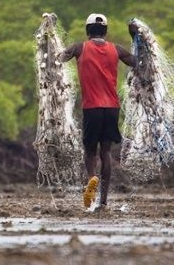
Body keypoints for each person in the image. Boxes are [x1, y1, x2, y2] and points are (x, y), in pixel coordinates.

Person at [59, 13, 136, 209]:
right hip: (112, 108)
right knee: (106, 151)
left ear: (87, 31)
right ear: (106, 31)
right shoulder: (116, 50)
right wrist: (136, 38)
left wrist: (48, 41)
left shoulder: (79, 48)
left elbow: (58, 58)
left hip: (92, 107)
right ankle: (103, 201)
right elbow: (137, 62)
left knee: (90, 151)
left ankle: (92, 178)